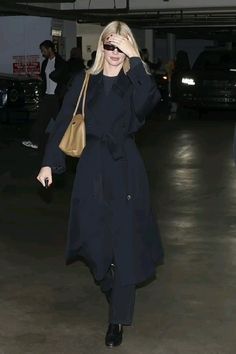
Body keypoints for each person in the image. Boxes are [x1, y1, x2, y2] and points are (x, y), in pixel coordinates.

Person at [37, 21, 164, 347]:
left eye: (121, 47)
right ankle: (110, 286)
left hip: (125, 168)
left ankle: (117, 319)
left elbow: (149, 100)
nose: (114, 53)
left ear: (129, 50)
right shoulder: (84, 81)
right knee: (93, 241)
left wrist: (136, 60)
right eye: (110, 45)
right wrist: (49, 163)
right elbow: (63, 122)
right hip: (92, 167)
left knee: (124, 243)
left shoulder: (135, 84)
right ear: (101, 47)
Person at [22, 40, 67, 150]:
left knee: (61, 121)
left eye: (43, 50)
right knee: (41, 119)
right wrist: (35, 76)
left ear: (50, 49)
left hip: (56, 97)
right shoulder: (45, 63)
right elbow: (44, 77)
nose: (42, 53)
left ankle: (71, 142)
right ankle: (34, 141)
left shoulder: (61, 62)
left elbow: (63, 79)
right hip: (47, 95)